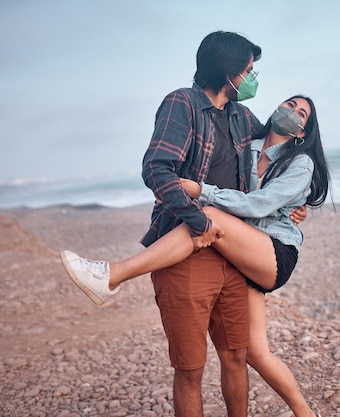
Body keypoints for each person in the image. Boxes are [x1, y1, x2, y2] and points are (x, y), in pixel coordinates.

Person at [61, 95, 330, 417]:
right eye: (289, 104)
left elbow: (259, 204)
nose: (291, 113)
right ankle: (307, 413)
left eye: (301, 114)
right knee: (255, 353)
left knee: (208, 216)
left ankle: (112, 274)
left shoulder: (300, 162)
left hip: (273, 253)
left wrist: (201, 190)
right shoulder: (248, 144)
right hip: (241, 251)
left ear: (302, 131)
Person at [65, 30, 264, 417]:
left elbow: (273, 154)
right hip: (185, 251)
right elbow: (156, 167)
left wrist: (296, 202)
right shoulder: (182, 103)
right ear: (229, 73)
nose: (254, 78)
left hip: (235, 254)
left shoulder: (242, 116)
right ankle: (111, 275)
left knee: (237, 357)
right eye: (249, 70)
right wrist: (197, 221)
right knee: (190, 369)